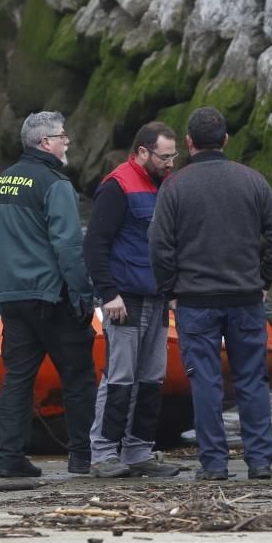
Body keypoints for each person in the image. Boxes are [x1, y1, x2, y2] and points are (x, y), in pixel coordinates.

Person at [149, 107, 272, 481]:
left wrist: (170, 290)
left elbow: (159, 246)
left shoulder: (175, 186)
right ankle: (260, 461)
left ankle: (213, 464)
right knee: (252, 379)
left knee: (206, 382)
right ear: (226, 140)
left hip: (195, 301)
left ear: (189, 143)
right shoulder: (253, 181)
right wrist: (264, 280)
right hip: (245, 297)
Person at [0, 111, 97, 478]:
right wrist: (83, 296)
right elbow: (68, 245)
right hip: (52, 297)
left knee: (17, 378)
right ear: (46, 143)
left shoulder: (0, 183)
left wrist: (1, 288)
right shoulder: (55, 183)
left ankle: (10, 459)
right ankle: (81, 457)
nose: (67, 142)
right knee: (78, 376)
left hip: (13, 298)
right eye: (63, 136)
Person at [82, 122, 181, 478]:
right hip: (125, 301)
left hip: (156, 299)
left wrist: (173, 291)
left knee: (152, 379)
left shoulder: (166, 186)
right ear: (142, 152)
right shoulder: (117, 186)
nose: (170, 163)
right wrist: (108, 293)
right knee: (120, 379)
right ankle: (104, 454)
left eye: (174, 156)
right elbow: (95, 244)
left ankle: (138, 451)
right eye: (164, 156)